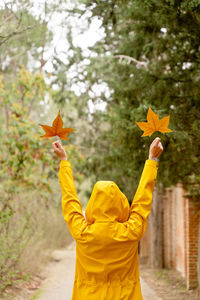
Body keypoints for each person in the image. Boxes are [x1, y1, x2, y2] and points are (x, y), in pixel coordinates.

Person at [52, 137, 163, 300]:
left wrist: (64, 161)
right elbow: (142, 201)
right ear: (121, 203)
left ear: (93, 204)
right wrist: (152, 160)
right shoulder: (131, 231)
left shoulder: (82, 232)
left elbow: (70, 200)